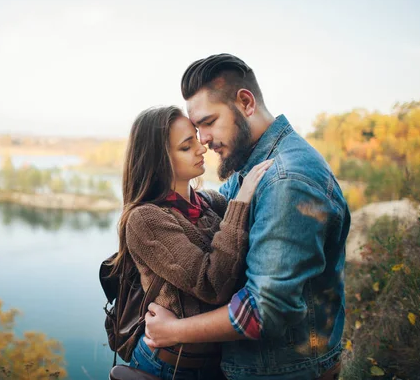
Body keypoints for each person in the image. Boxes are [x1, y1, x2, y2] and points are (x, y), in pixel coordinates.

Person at [144, 54, 350, 380]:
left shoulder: (285, 180)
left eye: (208, 122)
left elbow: (265, 311)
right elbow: (212, 212)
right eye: (196, 129)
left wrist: (174, 332)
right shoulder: (254, 164)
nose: (203, 140)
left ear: (245, 103)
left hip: (282, 371)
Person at [115, 105, 272, 380]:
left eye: (196, 138)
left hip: (212, 366)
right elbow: (212, 285)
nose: (201, 149)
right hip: (168, 368)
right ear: (159, 160)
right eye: (186, 147)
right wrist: (241, 202)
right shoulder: (146, 219)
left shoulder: (210, 203)